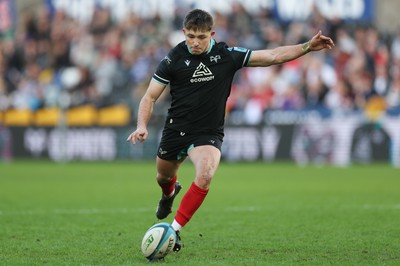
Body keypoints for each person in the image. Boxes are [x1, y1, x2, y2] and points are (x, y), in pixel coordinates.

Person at [127, 9, 334, 253]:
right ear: (184, 32)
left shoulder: (227, 55)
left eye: (201, 37)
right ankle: (169, 193)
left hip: (207, 132)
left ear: (211, 34)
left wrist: (307, 46)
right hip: (176, 128)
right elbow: (149, 97)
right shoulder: (173, 58)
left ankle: (173, 229)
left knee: (205, 174)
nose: (195, 42)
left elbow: (272, 55)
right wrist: (141, 125)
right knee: (163, 178)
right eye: (190, 36)